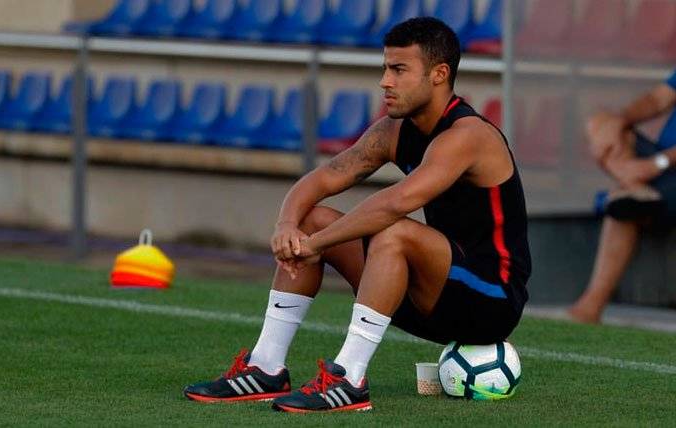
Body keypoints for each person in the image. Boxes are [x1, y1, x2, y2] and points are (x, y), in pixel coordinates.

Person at [183, 17, 531, 413]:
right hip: (429, 294)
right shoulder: (393, 131)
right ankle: (266, 367)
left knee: (392, 232)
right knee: (312, 218)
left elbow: (396, 203)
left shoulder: (469, 135)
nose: (385, 81)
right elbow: (323, 178)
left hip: (491, 300)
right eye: (385, 68)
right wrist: (288, 227)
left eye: (399, 70)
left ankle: (349, 378)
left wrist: (315, 246)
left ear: (439, 74)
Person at [568, 72, 676, 324]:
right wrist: (620, 120)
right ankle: (634, 187)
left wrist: (654, 164)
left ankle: (590, 306)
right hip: (661, 170)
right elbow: (657, 99)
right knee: (601, 123)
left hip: (662, 165)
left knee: (625, 206)